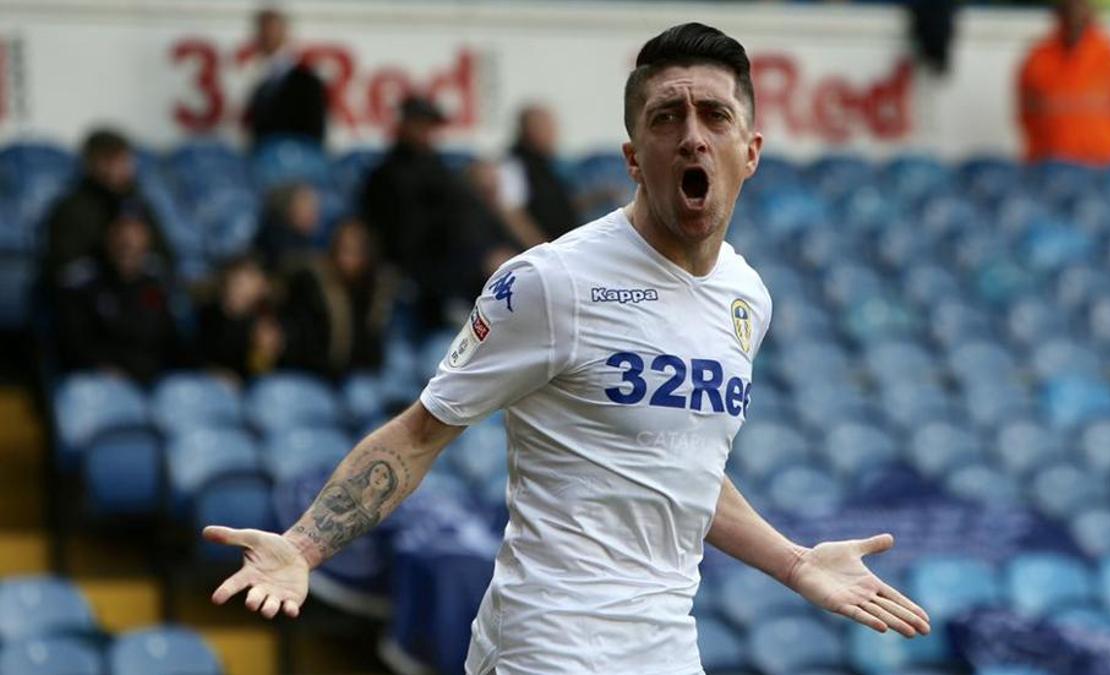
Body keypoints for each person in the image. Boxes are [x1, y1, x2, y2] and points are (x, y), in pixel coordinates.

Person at [204, 23, 931, 674]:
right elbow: (423, 431)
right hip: (544, 645)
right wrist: (304, 545)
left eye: (714, 115)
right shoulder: (552, 282)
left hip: (667, 647)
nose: (691, 135)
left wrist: (797, 561)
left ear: (752, 150)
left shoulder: (748, 298)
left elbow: (680, 467)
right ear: (633, 156)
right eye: (665, 117)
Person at [360, 96, 510, 329]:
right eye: (420, 124)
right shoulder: (387, 174)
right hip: (422, 266)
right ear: (405, 124)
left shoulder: (437, 167)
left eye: (430, 126)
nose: (426, 132)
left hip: (456, 259)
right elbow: (404, 232)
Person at [55, 214, 186, 384]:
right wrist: (102, 366)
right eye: (122, 240)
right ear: (108, 240)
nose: (128, 247)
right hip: (99, 378)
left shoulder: (157, 285)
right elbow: (73, 343)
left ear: (147, 244)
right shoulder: (83, 285)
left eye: (135, 242)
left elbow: (170, 340)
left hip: (152, 380)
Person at [1017, 0, 1110, 165]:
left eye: (1081, 5)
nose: (1075, 12)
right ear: (1058, 10)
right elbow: (1027, 117)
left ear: (1094, 11)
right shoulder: (1036, 60)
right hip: (1049, 171)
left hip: (1106, 169)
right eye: (1069, 5)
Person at [41, 128, 172, 281]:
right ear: (89, 163)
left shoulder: (140, 203)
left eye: (121, 160)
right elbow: (63, 267)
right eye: (107, 160)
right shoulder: (72, 207)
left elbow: (165, 256)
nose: (115, 169)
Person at [278, 218, 396, 380]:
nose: (347, 258)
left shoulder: (376, 290)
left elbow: (373, 351)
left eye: (356, 251)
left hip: (358, 376)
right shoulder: (310, 285)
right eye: (344, 249)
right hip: (312, 377)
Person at [497, 104, 581, 246]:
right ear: (527, 131)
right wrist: (544, 251)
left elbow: (557, 205)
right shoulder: (512, 166)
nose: (553, 134)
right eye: (545, 128)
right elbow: (514, 217)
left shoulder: (546, 165)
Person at [244, 8, 327, 147]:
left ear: (284, 32)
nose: (265, 36)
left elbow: (316, 131)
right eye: (262, 31)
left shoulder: (308, 82)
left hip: (298, 160)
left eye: (270, 30)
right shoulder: (261, 85)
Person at [196, 256, 284, 380]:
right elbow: (194, 358)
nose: (237, 289)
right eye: (235, 282)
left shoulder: (265, 322)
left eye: (244, 284)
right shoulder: (207, 315)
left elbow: (260, 372)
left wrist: (264, 353)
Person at [253, 182, 322, 274]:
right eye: (306, 205)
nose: (314, 213)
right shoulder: (277, 249)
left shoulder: (304, 243)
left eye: (315, 207)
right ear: (287, 209)